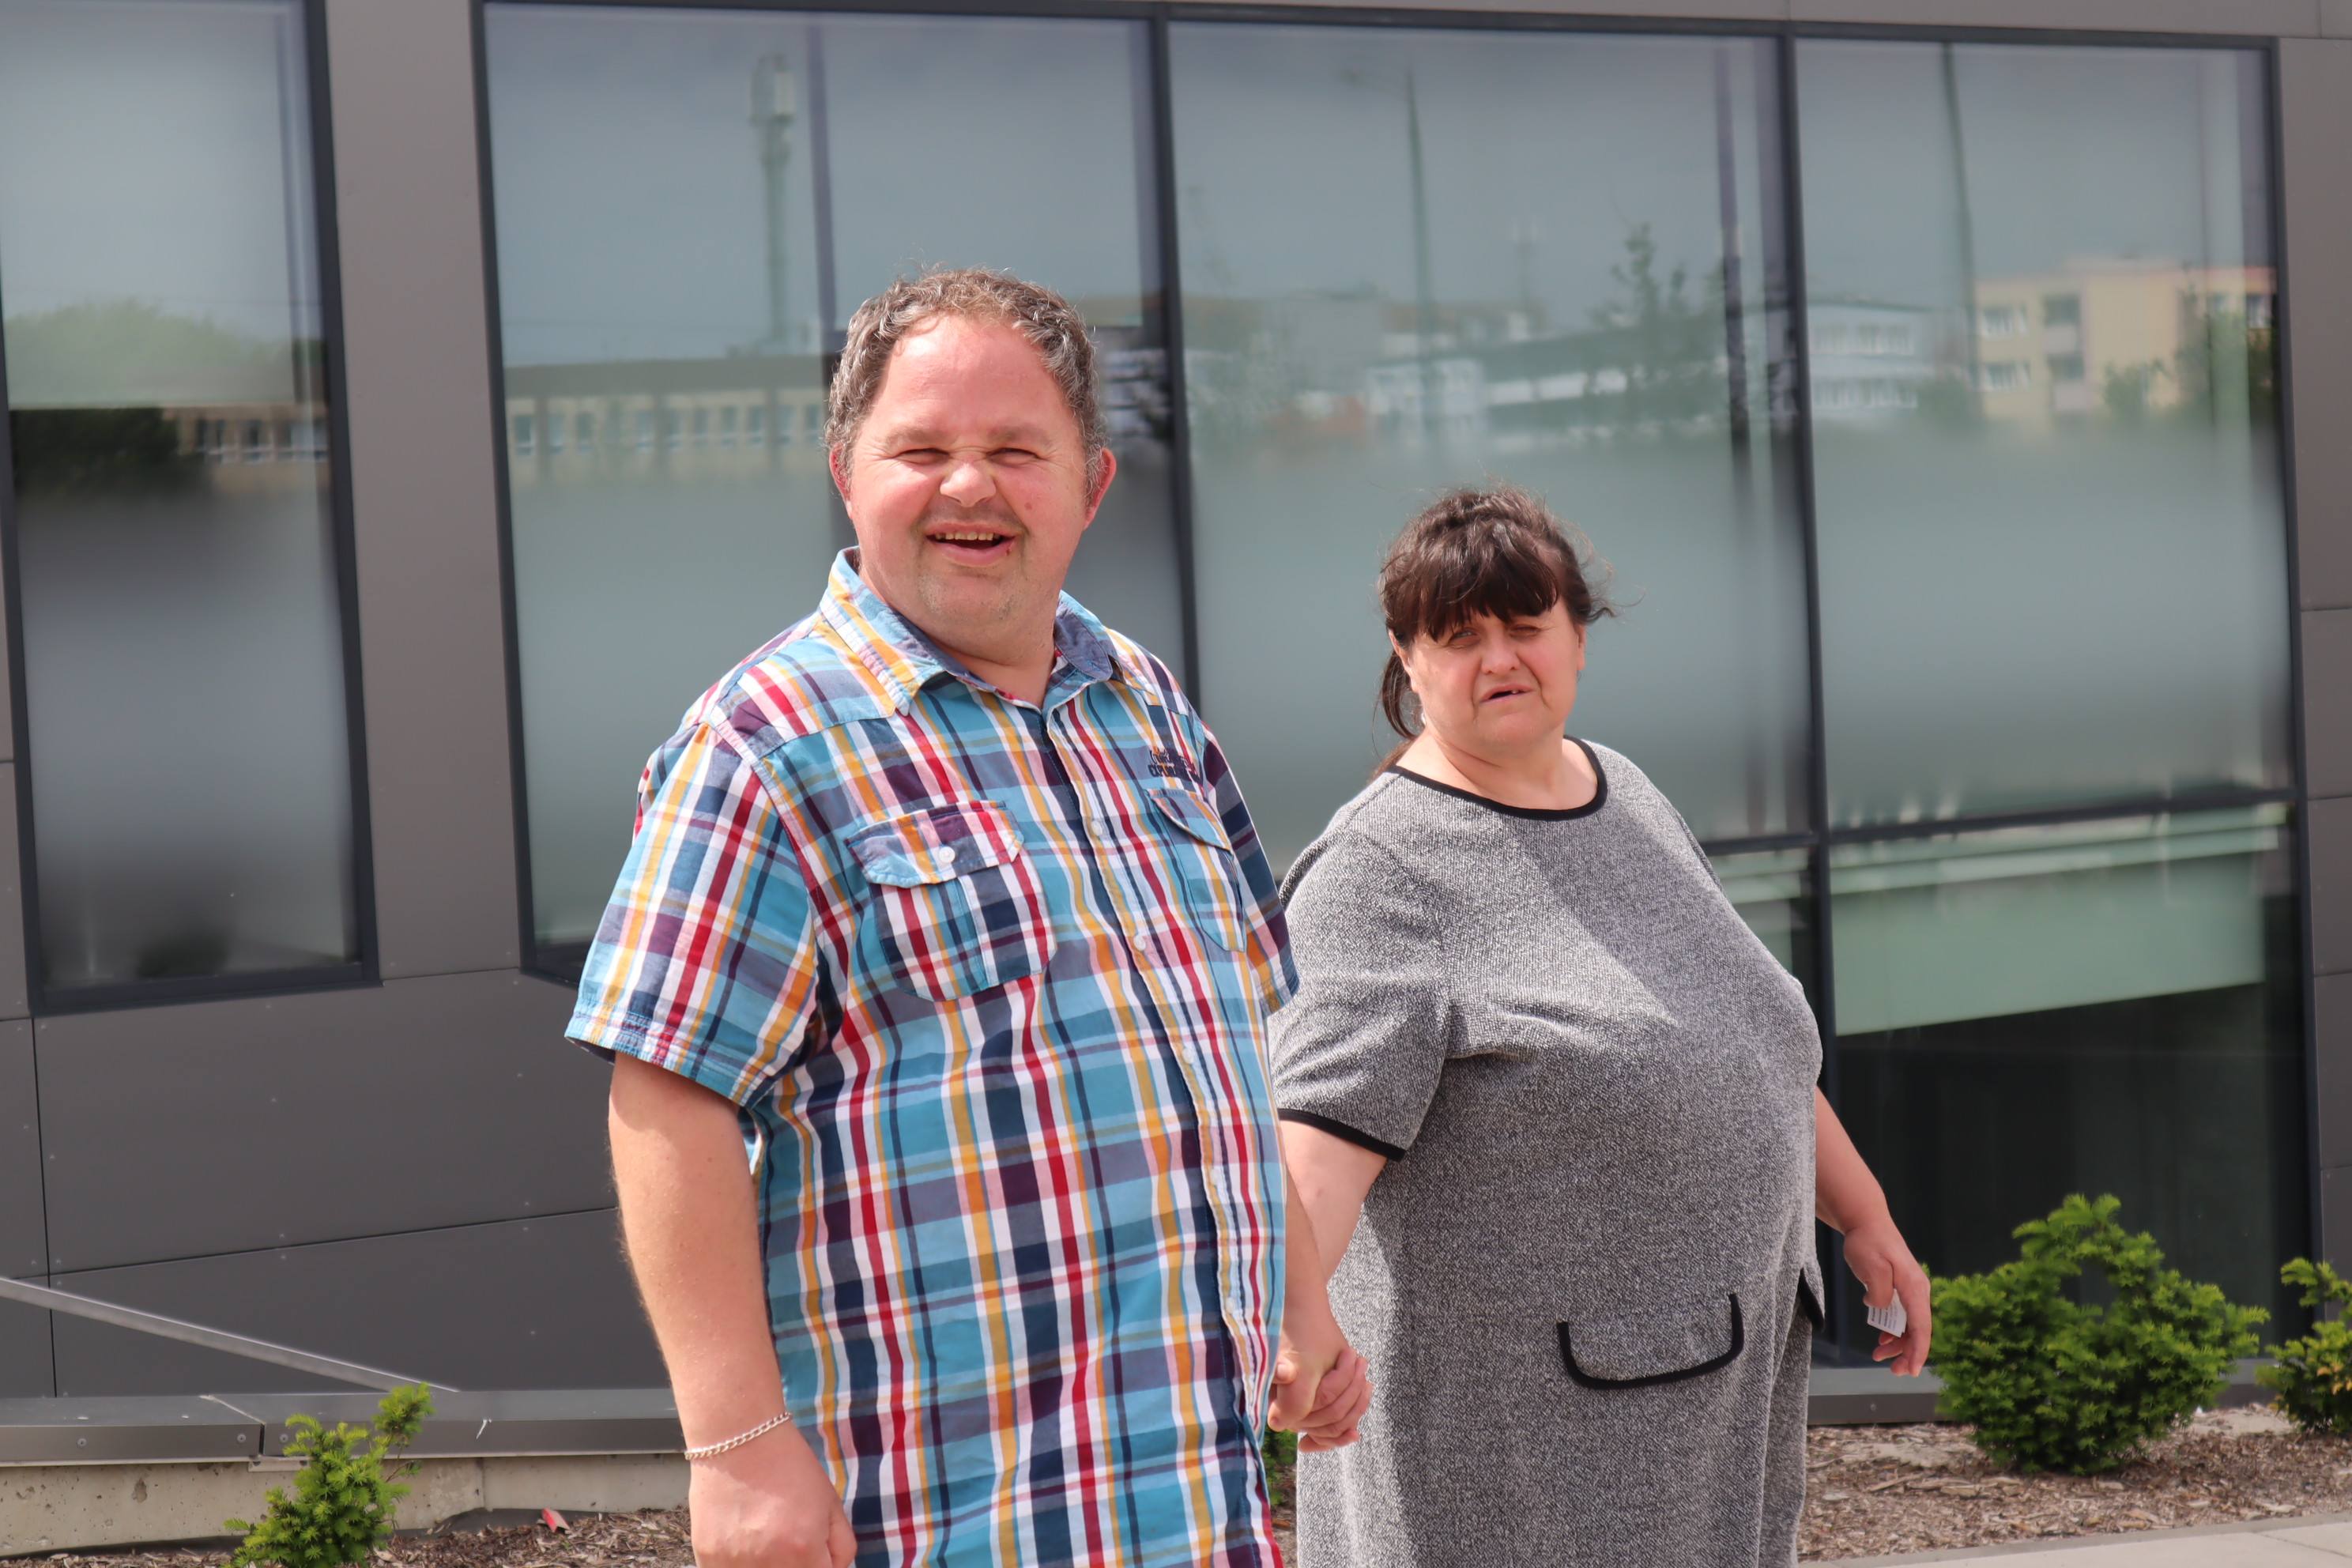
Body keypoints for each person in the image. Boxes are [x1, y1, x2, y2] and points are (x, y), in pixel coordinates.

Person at [568, 269, 1365, 1568]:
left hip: (1188, 1504)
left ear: (1092, 484)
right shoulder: (766, 746)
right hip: (941, 1515)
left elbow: (1221, 1045)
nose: (969, 486)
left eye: (1016, 451)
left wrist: (1300, 1291)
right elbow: (665, 1095)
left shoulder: (1148, 710)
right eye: (921, 449)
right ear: (846, 473)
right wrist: (737, 1450)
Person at [1272, 485, 1930, 1567]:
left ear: (1578, 636)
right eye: (1459, 638)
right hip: (1516, 1463)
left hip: (1702, 1411)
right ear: (1408, 660)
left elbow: (1744, 1037)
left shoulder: (1621, 789)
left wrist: (1862, 1215)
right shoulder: (1376, 876)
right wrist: (1298, 1328)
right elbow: (1311, 1162)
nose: (1499, 661)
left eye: (1525, 626)